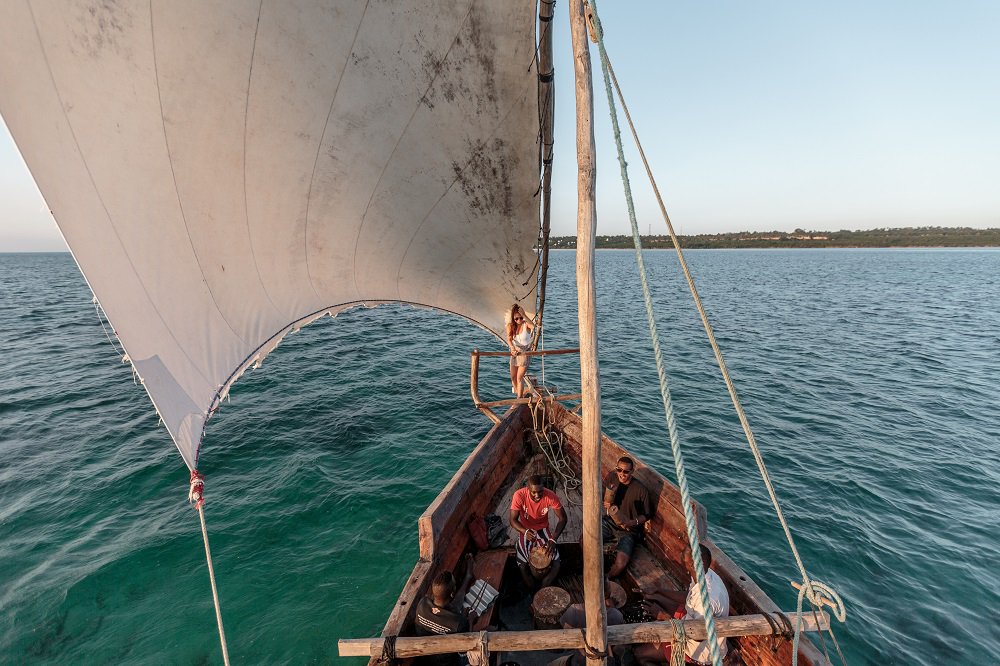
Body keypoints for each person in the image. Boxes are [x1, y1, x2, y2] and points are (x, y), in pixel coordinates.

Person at [633, 544, 730, 666]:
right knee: (655, 598)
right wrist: (659, 590)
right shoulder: (706, 573)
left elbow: (698, 635)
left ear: (692, 564)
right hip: (692, 621)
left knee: (640, 654)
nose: (681, 554)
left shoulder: (705, 600)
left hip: (699, 652)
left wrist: (665, 617)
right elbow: (688, 596)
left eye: (684, 554)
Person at [414, 554, 479, 665]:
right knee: (486, 633)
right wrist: (470, 620)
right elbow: (465, 648)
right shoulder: (460, 623)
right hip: (448, 662)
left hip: (424, 656)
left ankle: (468, 577)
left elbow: (448, 610)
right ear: (452, 593)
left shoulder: (422, 604)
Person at [509, 474, 567, 590]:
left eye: (540, 492)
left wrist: (553, 539)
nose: (537, 495)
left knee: (556, 561)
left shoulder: (550, 496)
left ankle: (543, 589)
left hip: (543, 529)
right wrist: (524, 531)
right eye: (533, 492)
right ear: (528, 489)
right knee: (522, 563)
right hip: (525, 529)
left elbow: (563, 518)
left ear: (543, 488)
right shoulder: (519, 495)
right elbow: (512, 520)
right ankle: (532, 591)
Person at [556, 580, 627, 666]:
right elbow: (619, 647)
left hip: (578, 662)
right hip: (602, 658)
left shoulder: (572, 611)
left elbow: (567, 636)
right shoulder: (617, 616)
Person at [602, 456, 652, 578]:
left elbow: (647, 514)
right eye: (619, 470)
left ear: (632, 471)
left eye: (626, 471)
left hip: (629, 530)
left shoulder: (640, 490)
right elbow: (606, 496)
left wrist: (632, 522)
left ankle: (605, 581)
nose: (622, 474)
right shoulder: (612, 478)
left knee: (621, 563)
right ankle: (594, 568)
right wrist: (607, 502)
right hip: (611, 522)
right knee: (585, 539)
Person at [506, 303, 535, 398]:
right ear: (513, 318)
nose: (519, 320)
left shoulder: (526, 324)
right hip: (515, 352)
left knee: (519, 377)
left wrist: (525, 315)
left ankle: (519, 399)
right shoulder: (510, 326)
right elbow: (509, 339)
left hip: (525, 352)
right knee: (513, 377)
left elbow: (533, 326)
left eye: (520, 317)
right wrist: (512, 348)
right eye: (516, 318)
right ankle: (518, 394)